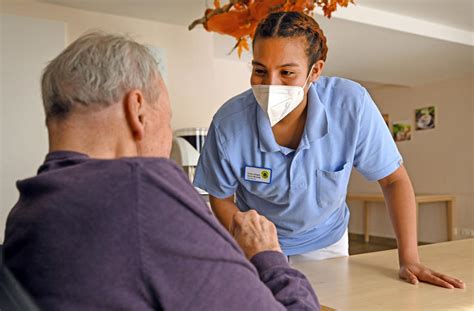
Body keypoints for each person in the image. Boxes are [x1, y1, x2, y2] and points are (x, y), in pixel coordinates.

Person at [3, 32, 320, 310]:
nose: (167, 136)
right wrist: (267, 255)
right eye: (166, 120)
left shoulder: (27, 209)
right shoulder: (141, 188)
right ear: (137, 110)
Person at [193, 11, 465, 289]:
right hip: (257, 245)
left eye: (286, 72)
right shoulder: (229, 124)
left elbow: (393, 180)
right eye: (260, 70)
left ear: (315, 71)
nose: (271, 84)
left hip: (326, 242)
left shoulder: (351, 106)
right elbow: (221, 197)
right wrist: (252, 243)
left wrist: (409, 258)